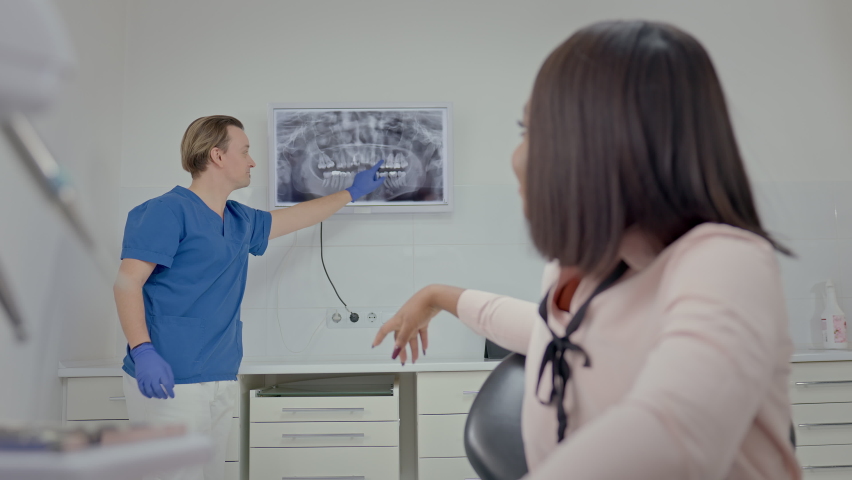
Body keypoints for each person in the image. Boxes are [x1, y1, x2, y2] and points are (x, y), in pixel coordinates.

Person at [373, 20, 801, 480]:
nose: (516, 158)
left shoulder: (724, 262)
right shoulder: (580, 272)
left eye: (531, 130)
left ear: (606, 144)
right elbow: (548, 333)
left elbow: (672, 436)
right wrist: (437, 296)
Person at [113, 115, 385, 480]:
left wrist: (350, 192)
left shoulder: (239, 219)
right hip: (167, 378)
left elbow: (300, 217)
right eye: (245, 151)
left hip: (219, 373)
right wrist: (142, 350)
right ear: (217, 156)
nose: (253, 161)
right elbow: (127, 283)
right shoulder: (166, 211)